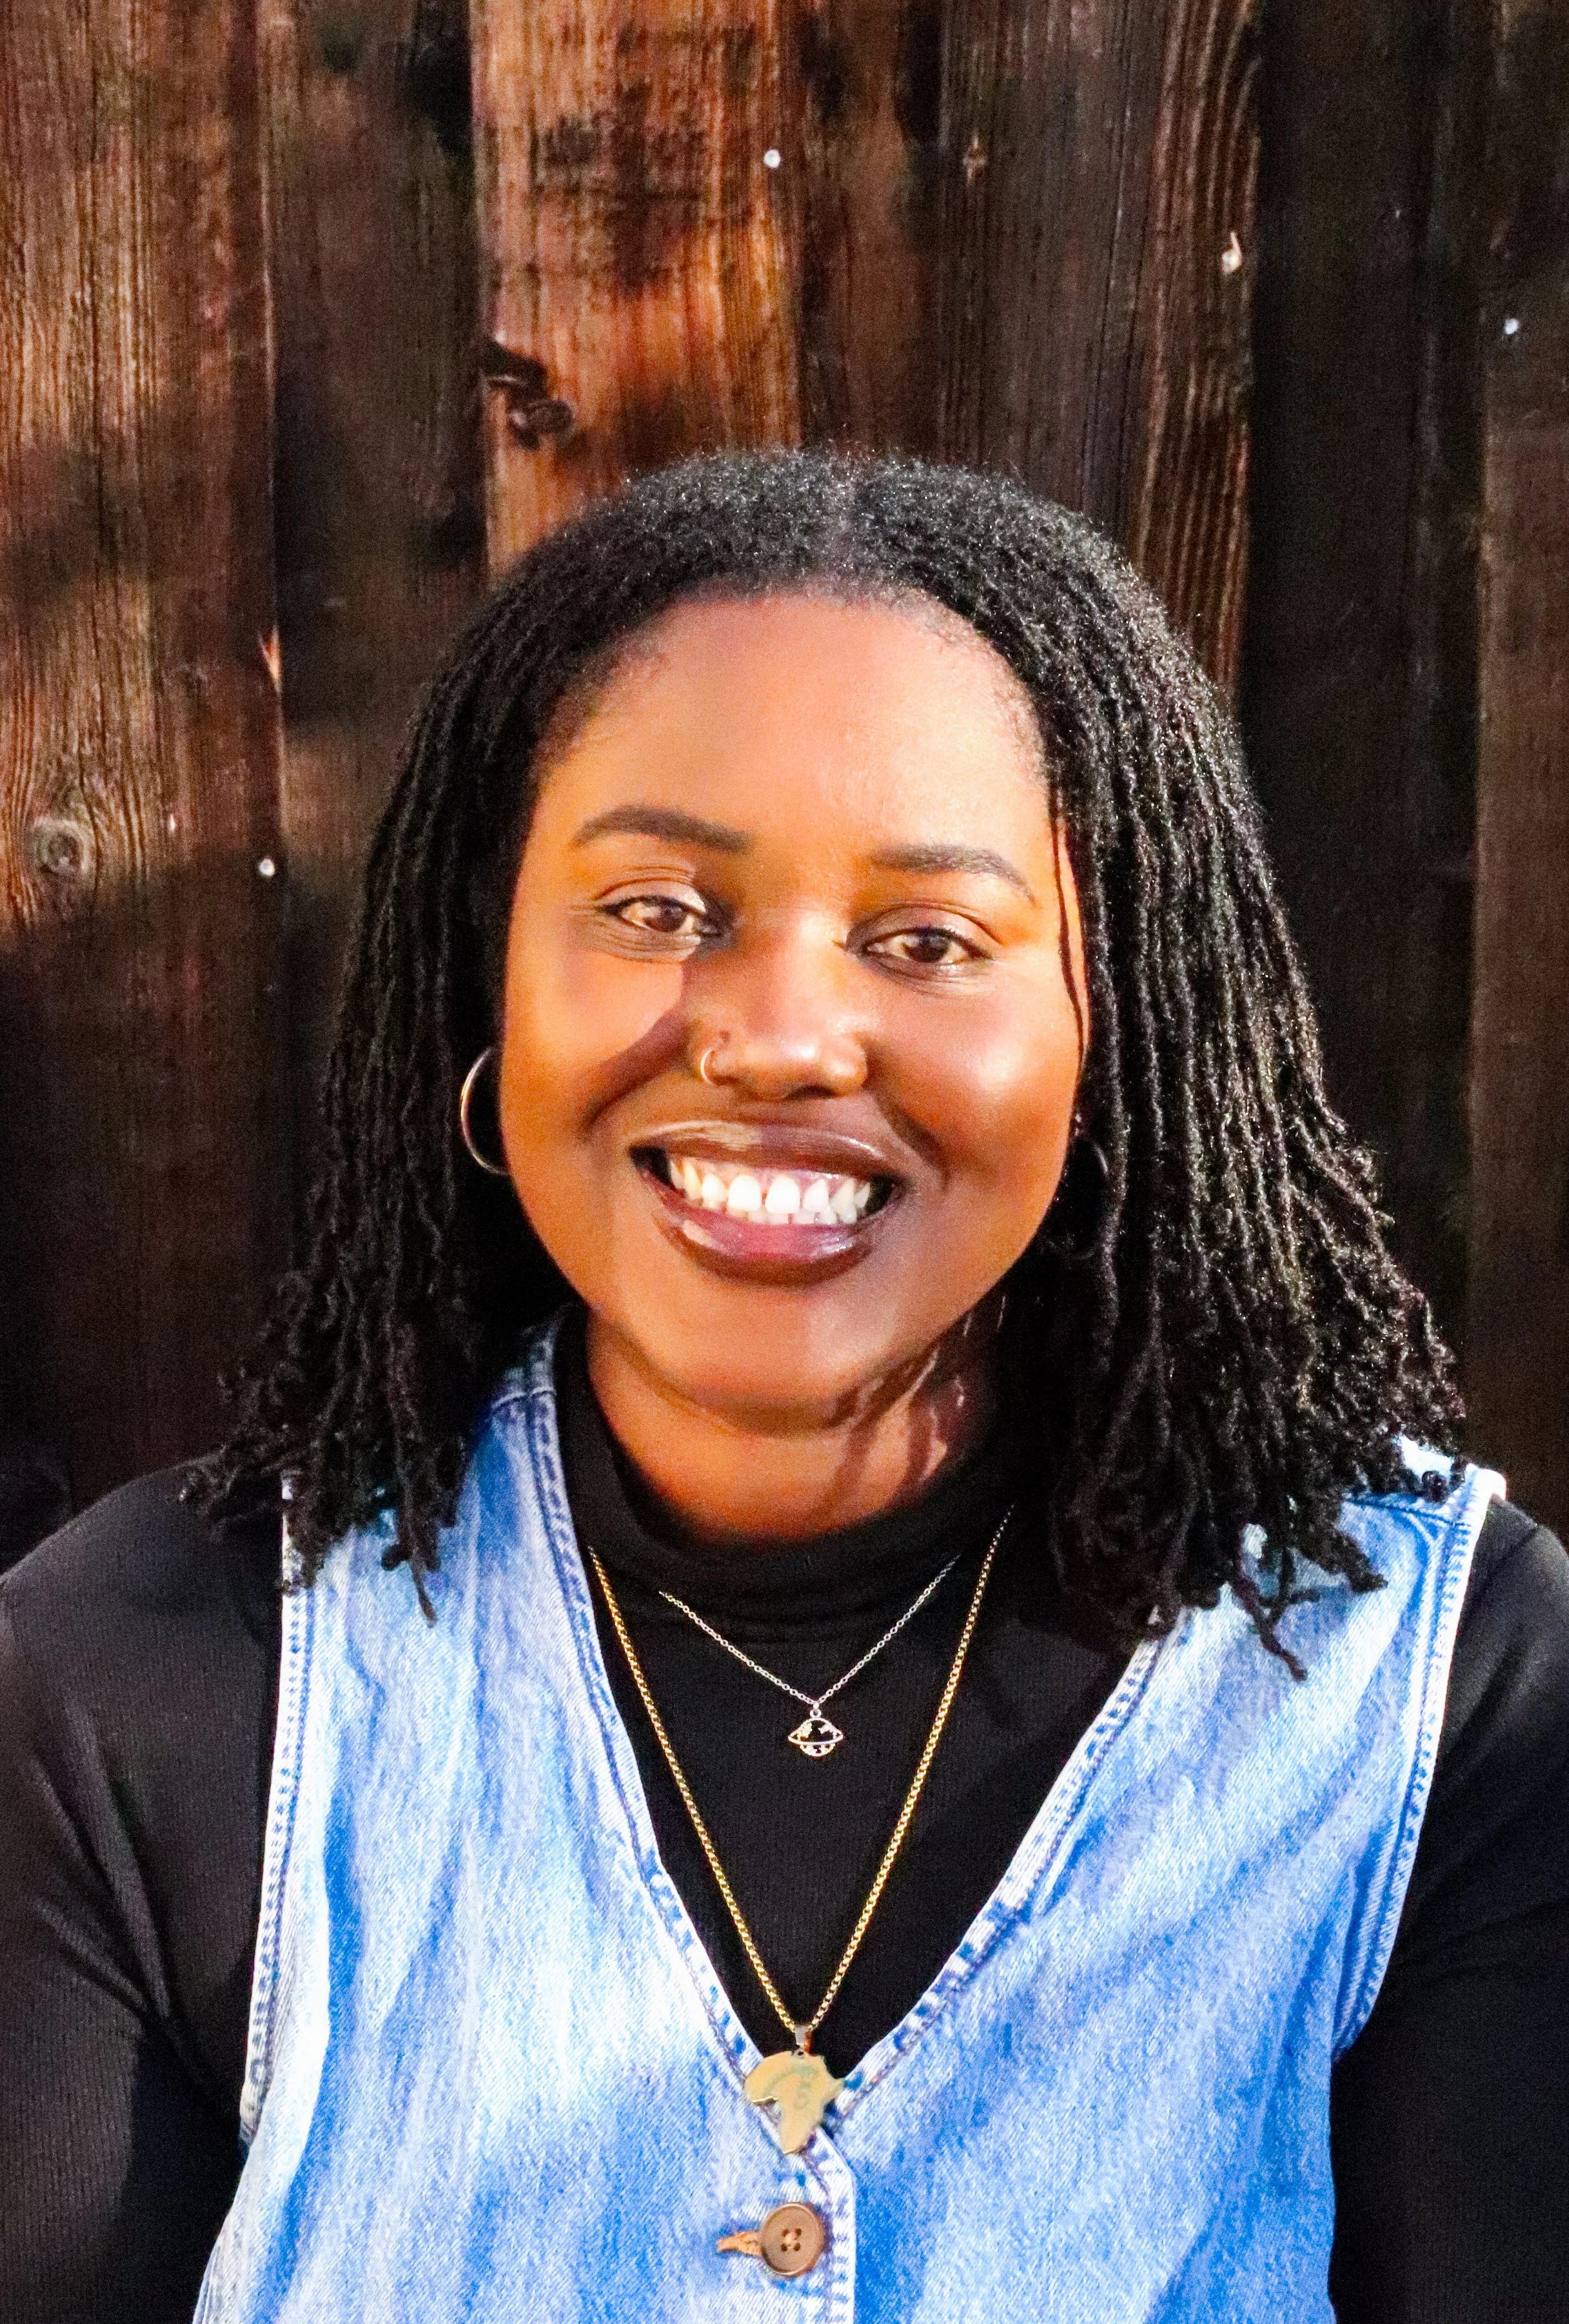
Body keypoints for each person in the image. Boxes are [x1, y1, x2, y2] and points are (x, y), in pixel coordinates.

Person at [2, 452, 1566, 2323]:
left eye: (926, 940)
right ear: (483, 977)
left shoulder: (1435, 1697)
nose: (774, 1036)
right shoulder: (153, 1682)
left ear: (1113, 1031)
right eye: (658, 907)